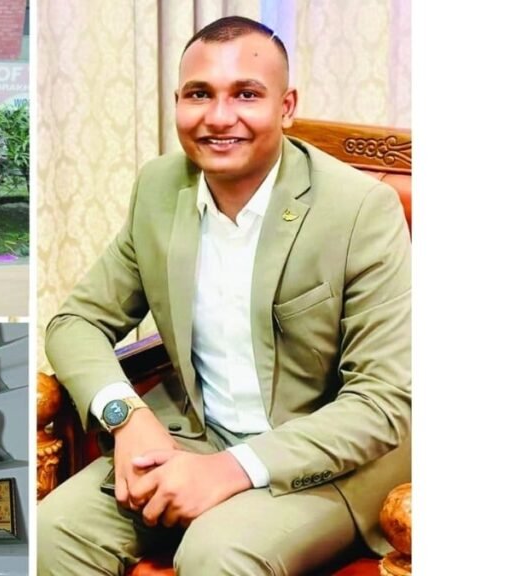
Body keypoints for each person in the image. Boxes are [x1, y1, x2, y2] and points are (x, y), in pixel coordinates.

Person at [38, 16, 410, 576]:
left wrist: (230, 469)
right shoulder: (160, 189)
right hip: (192, 434)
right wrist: (126, 415)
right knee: (51, 534)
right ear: (177, 103)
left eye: (246, 94)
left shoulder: (361, 210)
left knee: (216, 554)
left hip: (321, 461)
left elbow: (383, 400)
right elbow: (75, 322)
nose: (218, 116)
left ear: (286, 107)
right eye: (199, 94)